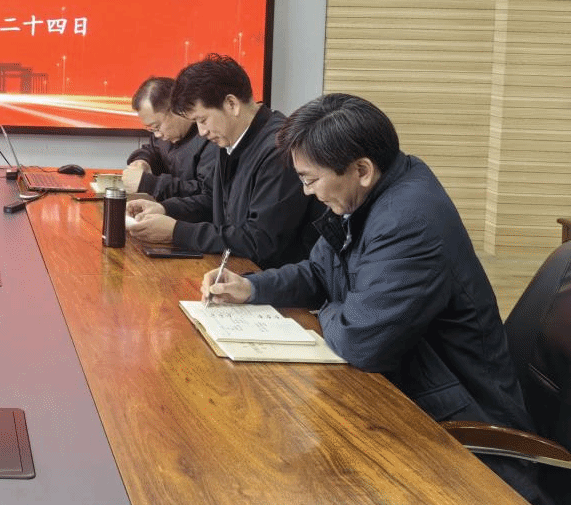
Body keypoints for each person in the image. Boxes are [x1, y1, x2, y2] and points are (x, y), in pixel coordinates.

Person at [201, 93, 546, 504]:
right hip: (411, 395)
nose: (307, 192)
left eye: (310, 180)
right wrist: (253, 287)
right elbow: (319, 271)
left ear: (361, 170)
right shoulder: (370, 194)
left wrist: (329, 308)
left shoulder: (408, 219)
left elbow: (362, 342)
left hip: (460, 432)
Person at [127, 54, 318, 267]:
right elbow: (212, 203)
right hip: (233, 269)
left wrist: (176, 232)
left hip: (266, 276)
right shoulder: (231, 138)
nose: (201, 132)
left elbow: (260, 240)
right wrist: (165, 209)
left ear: (231, 104)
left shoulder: (278, 149)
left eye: (202, 120)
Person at [122, 76, 216, 219]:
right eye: (152, 129)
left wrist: (151, 185)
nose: (157, 134)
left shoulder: (210, 137)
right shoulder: (165, 135)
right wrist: (142, 161)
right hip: (165, 216)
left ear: (176, 109)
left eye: (157, 127)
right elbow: (153, 150)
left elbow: (207, 197)